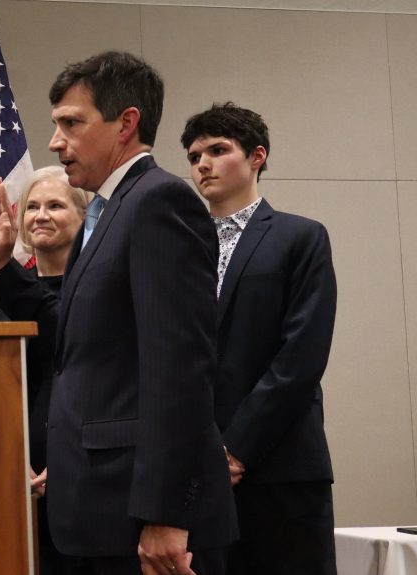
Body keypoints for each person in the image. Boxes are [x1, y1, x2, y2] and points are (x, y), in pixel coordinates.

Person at [0, 51, 236, 575]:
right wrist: (6, 270)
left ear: (126, 124)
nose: (56, 142)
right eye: (56, 125)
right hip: (97, 511)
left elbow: (179, 368)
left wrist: (166, 513)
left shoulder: (159, 202)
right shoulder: (103, 212)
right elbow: (74, 340)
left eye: (71, 124)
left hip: (143, 519)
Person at [181, 102, 337, 575]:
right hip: (193, 472)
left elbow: (301, 356)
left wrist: (237, 448)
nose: (202, 164)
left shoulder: (300, 237)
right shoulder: (177, 246)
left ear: (257, 156)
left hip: (280, 465)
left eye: (217, 149)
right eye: (193, 156)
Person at [0, 166, 89, 574]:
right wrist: (11, 456)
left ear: (84, 218)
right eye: (32, 207)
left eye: (55, 205)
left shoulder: (95, 287)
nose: (40, 215)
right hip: (14, 472)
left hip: (80, 472)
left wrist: (58, 464)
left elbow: (70, 343)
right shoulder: (8, 288)